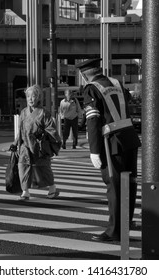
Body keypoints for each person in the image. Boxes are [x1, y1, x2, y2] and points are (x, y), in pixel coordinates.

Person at [76, 58, 141, 242]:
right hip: (129, 138)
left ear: (84, 75)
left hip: (111, 142)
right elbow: (126, 101)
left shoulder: (91, 88)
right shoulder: (116, 83)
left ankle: (114, 232)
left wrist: (94, 150)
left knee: (114, 187)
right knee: (129, 185)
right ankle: (125, 227)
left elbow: (93, 120)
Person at [9, 84, 61, 201]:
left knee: (43, 168)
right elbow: (20, 130)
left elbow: (52, 130)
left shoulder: (44, 113)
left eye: (33, 96)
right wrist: (15, 142)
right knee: (22, 166)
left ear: (38, 98)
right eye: (28, 97)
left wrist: (48, 137)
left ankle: (52, 188)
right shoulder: (23, 112)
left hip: (39, 147)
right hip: (25, 146)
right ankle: (25, 191)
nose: (30, 99)